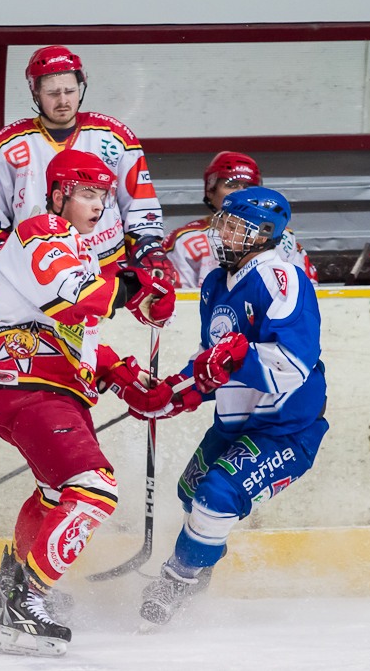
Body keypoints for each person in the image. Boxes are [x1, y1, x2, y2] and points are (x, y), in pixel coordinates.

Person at [0, 149, 176, 656]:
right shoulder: (40, 231)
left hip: (42, 386)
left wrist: (122, 375)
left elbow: (75, 334)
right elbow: (69, 298)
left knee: (53, 493)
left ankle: (11, 586)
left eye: (104, 195)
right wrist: (135, 285)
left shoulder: (78, 248)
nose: (99, 204)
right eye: (87, 193)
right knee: (94, 489)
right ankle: (27, 604)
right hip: (27, 383)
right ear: (59, 194)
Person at [126, 186, 328, 625]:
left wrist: (239, 358)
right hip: (234, 423)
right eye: (225, 223)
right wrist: (172, 394)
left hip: (285, 428)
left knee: (216, 495)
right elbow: (211, 361)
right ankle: (199, 566)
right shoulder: (216, 283)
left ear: (265, 234)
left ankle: (177, 580)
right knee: (191, 490)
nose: (223, 233)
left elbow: (294, 364)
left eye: (236, 227)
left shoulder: (282, 278)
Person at [0, 45, 173, 280]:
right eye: (53, 93)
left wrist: (147, 246)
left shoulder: (115, 138)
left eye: (70, 91)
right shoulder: (4, 147)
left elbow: (140, 207)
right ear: (36, 93)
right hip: (38, 276)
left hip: (109, 271)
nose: (63, 100)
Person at [164, 151, 318, 289]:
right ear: (211, 191)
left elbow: (307, 289)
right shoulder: (184, 240)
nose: (240, 193)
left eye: (248, 186)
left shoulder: (282, 236)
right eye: (231, 185)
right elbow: (178, 298)